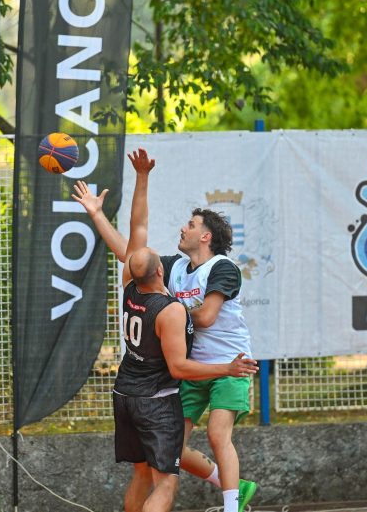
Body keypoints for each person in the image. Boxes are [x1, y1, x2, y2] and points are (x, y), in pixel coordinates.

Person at [73, 148, 258, 512]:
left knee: (218, 434)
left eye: (191, 224)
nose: (183, 227)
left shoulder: (223, 268)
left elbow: (206, 317)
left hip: (229, 364)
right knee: (174, 450)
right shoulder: (173, 270)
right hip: (190, 369)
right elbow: (132, 253)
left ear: (205, 236)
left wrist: (166, 313)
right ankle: (232, 484)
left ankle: (232, 506)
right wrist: (98, 215)